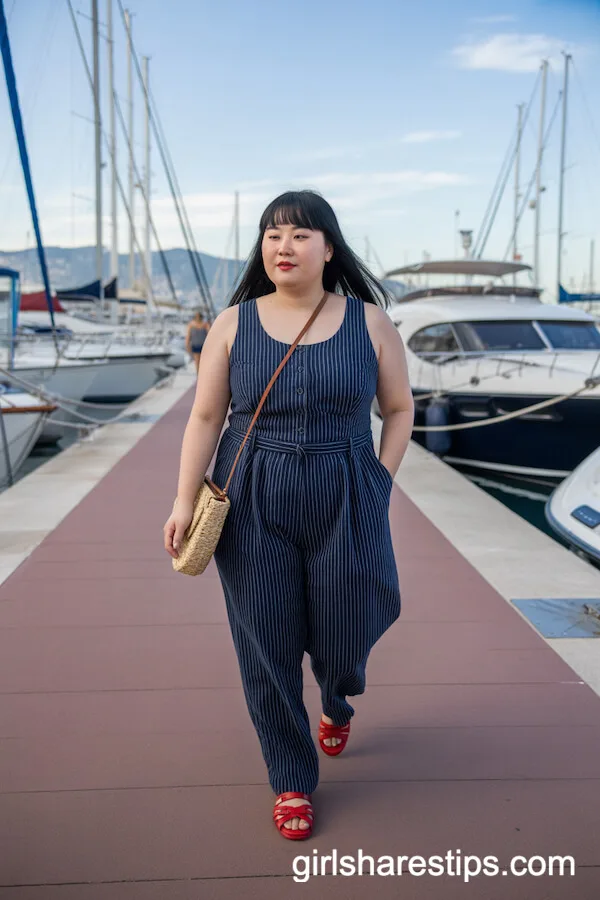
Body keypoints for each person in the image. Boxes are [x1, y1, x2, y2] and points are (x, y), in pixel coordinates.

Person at [164, 190, 414, 840]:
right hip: (251, 496)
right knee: (265, 644)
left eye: (300, 234)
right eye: (273, 234)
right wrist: (183, 499)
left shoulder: (368, 322)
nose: (284, 246)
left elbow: (399, 409)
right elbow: (205, 417)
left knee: (345, 627)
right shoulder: (232, 324)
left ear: (328, 248)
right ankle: (292, 778)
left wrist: (378, 481)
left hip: (346, 489)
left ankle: (336, 696)